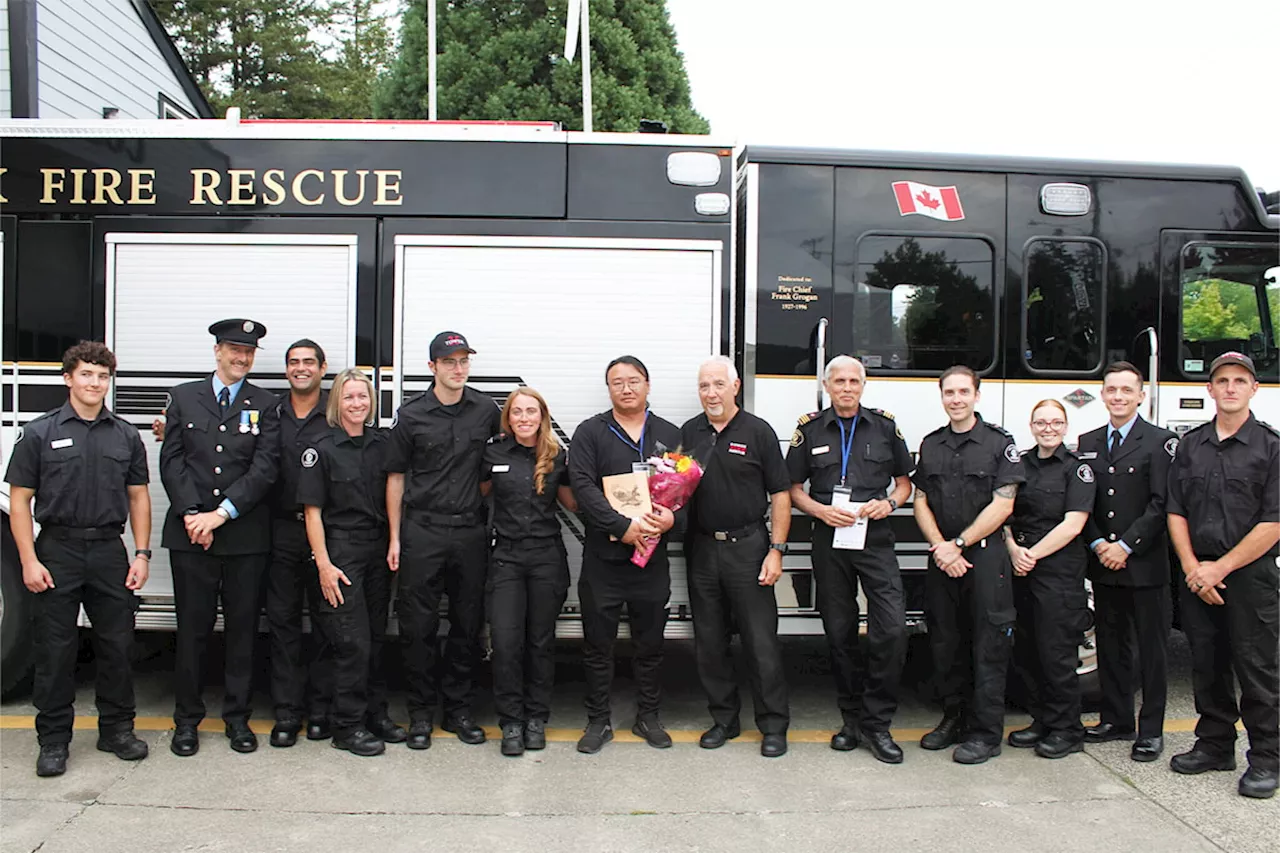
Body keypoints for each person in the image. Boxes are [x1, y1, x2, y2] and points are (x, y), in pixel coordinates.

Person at [5, 342, 152, 777]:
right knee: (54, 650)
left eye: (103, 376)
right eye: (87, 374)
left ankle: (116, 730)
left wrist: (141, 553)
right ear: (68, 378)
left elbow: (139, 497)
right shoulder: (39, 433)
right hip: (58, 549)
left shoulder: (125, 435)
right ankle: (53, 741)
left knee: (117, 646)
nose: (95, 383)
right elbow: (19, 502)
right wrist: (28, 561)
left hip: (109, 550)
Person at [160, 318, 280, 756]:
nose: (241, 358)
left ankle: (237, 719)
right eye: (234, 349)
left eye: (248, 352)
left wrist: (220, 515)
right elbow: (171, 459)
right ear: (217, 351)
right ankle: (186, 722)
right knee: (191, 631)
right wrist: (194, 514)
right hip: (190, 535)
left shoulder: (266, 404)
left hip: (243, 537)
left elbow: (264, 469)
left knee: (242, 633)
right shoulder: (183, 397)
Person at [785, 355, 913, 763]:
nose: (846, 387)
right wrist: (819, 511)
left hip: (875, 539)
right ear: (826, 385)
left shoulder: (885, 426)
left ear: (864, 384)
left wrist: (889, 503)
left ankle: (878, 722)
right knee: (838, 634)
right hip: (828, 539)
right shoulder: (808, 429)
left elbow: (905, 483)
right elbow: (791, 487)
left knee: (890, 630)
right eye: (838, 381)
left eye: (853, 380)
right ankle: (851, 720)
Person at [1166, 352, 1279, 800]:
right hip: (1198, 575)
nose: (1230, 388)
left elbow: (1273, 522)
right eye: (1222, 381)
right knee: (1206, 664)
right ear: (1209, 390)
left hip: (1249, 576)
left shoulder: (1271, 448)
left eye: (1239, 380)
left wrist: (1219, 568)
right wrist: (1194, 568)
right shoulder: (1190, 446)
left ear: (1255, 389)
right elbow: (1176, 511)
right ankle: (1214, 744)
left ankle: (1266, 758)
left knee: (1257, 669)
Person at [385, 331, 501, 749]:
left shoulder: (487, 410)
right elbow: (395, 476)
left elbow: (494, 467)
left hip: (469, 532)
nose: (458, 368)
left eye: (463, 360)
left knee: (468, 625)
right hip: (423, 531)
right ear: (432, 366)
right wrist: (395, 537)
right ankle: (420, 714)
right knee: (419, 627)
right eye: (449, 361)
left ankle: (459, 711)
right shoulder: (412, 414)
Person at [568, 355, 681, 753]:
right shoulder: (590, 433)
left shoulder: (670, 433)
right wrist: (622, 527)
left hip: (651, 561)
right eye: (617, 382)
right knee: (598, 647)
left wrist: (669, 521)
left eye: (633, 381)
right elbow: (582, 488)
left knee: (649, 645)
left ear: (648, 385)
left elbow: (685, 491)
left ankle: (648, 717)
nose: (626, 388)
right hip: (604, 561)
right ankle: (598, 721)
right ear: (609, 389)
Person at [913, 365, 1024, 764]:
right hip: (944, 559)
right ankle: (953, 719)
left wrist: (959, 544)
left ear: (977, 395)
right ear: (941, 396)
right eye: (949, 392)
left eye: (963, 392)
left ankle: (985, 732)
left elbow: (1004, 502)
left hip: (984, 557)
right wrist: (941, 546)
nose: (956, 399)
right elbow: (921, 499)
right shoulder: (931, 444)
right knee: (945, 643)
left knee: (988, 644)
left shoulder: (998, 443)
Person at [681, 356, 792, 758]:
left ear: (735, 387)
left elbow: (780, 494)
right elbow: (675, 487)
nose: (710, 393)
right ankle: (724, 719)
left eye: (717, 384)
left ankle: (774, 726)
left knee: (760, 643)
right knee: (710, 642)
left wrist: (776, 551)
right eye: (704, 386)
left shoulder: (759, 432)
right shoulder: (690, 432)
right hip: (703, 549)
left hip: (749, 548)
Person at [1077, 361, 1176, 762]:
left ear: (1141, 395)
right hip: (1103, 562)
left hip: (1145, 563)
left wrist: (1127, 545)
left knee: (1151, 653)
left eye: (1126, 390)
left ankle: (1150, 730)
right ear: (1102, 395)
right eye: (1111, 389)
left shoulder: (1160, 442)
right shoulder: (1088, 440)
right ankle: (1116, 719)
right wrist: (1100, 542)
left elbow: (1162, 502)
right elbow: (1084, 501)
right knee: (1112, 647)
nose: (1118, 397)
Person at [298, 369, 399, 757]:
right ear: (336, 403)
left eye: (363, 397)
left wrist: (393, 540)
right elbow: (312, 513)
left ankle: (376, 715)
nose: (357, 404)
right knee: (350, 642)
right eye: (349, 397)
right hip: (340, 554)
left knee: (374, 639)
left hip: (375, 552)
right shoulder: (320, 448)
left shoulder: (381, 444)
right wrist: (323, 564)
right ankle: (347, 726)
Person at [480, 387, 578, 757]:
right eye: (517, 412)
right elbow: (477, 493)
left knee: (540, 643)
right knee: (505, 644)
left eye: (531, 412)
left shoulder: (557, 456)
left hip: (546, 559)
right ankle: (511, 722)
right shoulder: (492, 453)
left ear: (542, 416)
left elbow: (574, 502)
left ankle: (536, 718)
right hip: (505, 558)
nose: (524, 418)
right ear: (508, 417)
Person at [1004, 400, 1095, 759]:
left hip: (1057, 570)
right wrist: (1013, 549)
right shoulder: (1019, 465)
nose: (1048, 428)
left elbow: (1074, 523)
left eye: (1055, 422)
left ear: (1065, 426)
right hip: (1021, 566)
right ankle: (1041, 719)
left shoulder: (1076, 470)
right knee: (1027, 650)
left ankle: (1067, 729)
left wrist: (1032, 554)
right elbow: (1004, 514)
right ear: (1031, 425)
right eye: (1041, 422)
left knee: (1056, 652)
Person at [264, 340, 342, 747]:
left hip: (326, 533)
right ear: (285, 370)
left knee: (328, 625)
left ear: (323, 368)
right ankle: (287, 713)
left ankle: (321, 711)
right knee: (283, 625)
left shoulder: (336, 410)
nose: (300, 368)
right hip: (280, 531)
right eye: (293, 362)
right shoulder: (269, 411)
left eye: (308, 362)